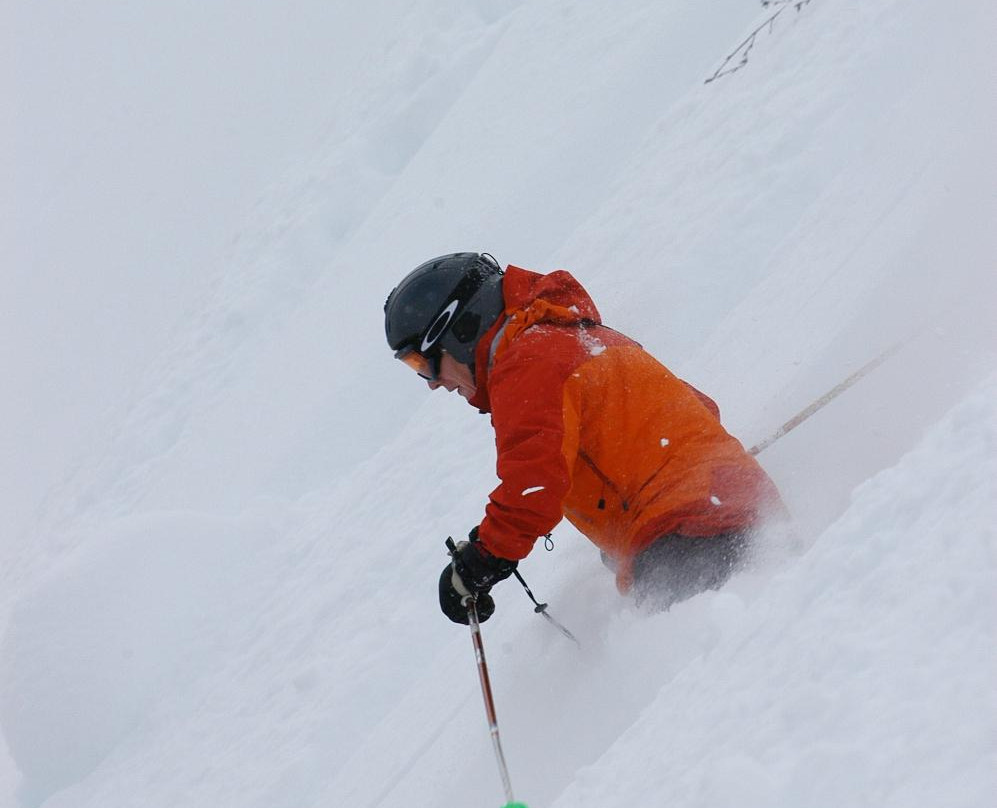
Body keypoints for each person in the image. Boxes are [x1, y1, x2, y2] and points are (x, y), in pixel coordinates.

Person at [384, 252, 784, 623]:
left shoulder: (527, 363)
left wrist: (481, 561)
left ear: (460, 329)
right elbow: (699, 408)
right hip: (738, 507)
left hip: (684, 532)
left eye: (422, 363)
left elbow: (533, 486)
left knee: (693, 663)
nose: (432, 383)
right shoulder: (581, 337)